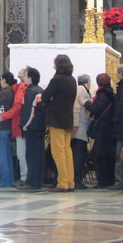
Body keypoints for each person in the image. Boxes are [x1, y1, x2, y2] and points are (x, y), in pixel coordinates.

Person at [41, 53, 77, 191]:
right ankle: (70, 182)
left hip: (56, 119)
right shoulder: (72, 79)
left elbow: (45, 96)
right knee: (67, 151)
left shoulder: (57, 80)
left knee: (58, 152)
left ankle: (62, 183)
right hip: (68, 118)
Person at [84, 72, 116, 188]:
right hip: (109, 128)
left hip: (103, 129)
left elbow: (96, 109)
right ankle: (109, 179)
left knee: (101, 155)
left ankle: (103, 180)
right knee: (108, 156)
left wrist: (86, 103)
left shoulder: (102, 94)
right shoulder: (110, 93)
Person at [20, 67, 45, 191]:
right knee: (39, 154)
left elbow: (30, 111)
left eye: (26, 76)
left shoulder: (31, 91)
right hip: (39, 127)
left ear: (30, 77)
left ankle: (32, 181)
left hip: (31, 127)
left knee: (32, 155)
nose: (24, 78)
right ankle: (39, 180)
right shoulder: (40, 90)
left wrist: (25, 125)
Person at [0, 71, 16, 187]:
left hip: (3, 126)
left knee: (3, 154)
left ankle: (5, 180)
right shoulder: (12, 92)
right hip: (9, 125)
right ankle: (9, 179)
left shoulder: (4, 92)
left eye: (1, 79)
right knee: (8, 154)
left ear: (4, 80)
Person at [71, 73, 91, 189]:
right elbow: (76, 107)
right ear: (87, 82)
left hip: (82, 126)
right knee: (78, 154)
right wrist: (76, 123)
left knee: (80, 154)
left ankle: (78, 178)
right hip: (79, 127)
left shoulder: (82, 90)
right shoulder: (81, 90)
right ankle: (76, 179)